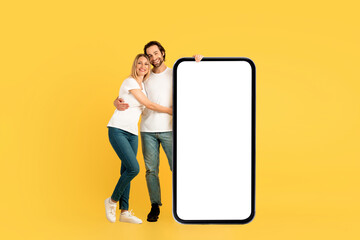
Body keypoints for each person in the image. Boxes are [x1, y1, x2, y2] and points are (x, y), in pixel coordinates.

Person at [114, 41, 203, 222]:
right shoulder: (145, 77)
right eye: (149, 55)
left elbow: (194, 83)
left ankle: (190, 202)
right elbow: (129, 92)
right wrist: (116, 102)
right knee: (151, 171)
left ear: (162, 52)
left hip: (169, 129)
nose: (154, 58)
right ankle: (155, 206)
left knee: (177, 168)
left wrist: (197, 64)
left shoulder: (175, 73)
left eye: (156, 53)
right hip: (147, 131)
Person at [105, 53, 172, 224]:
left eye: (146, 64)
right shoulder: (130, 81)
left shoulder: (143, 86)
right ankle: (112, 201)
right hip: (118, 129)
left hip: (132, 133)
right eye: (139, 63)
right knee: (134, 169)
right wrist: (173, 111)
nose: (143, 66)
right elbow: (149, 105)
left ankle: (124, 212)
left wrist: (116, 100)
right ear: (135, 66)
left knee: (126, 170)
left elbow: (130, 100)